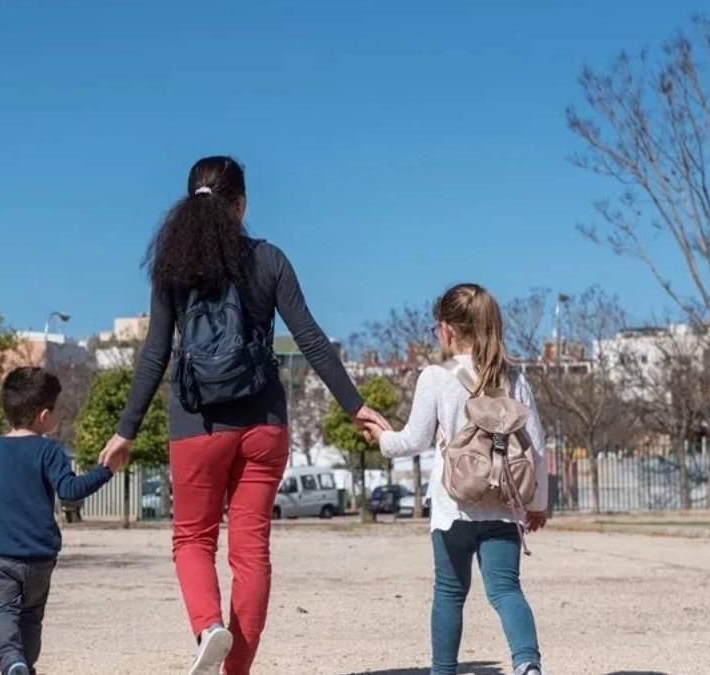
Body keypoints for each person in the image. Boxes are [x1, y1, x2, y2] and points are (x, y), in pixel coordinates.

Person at [98, 156, 390, 675]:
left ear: (188, 204)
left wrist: (126, 430)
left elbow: (155, 354)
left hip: (197, 425)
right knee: (251, 550)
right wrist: (356, 405)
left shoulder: (172, 269)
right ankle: (237, 671)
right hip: (264, 424)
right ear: (242, 204)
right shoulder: (269, 259)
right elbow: (310, 339)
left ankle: (209, 626)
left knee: (192, 538)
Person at [364, 283, 547, 675]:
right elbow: (536, 445)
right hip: (504, 504)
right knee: (506, 590)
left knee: (449, 593)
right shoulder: (513, 377)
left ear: (446, 329)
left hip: (454, 508)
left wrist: (381, 436)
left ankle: (443, 671)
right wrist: (537, 504)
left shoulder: (435, 377)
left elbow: (412, 440)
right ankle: (528, 663)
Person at [0, 367, 125, 675]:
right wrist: (106, 470)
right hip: (40, 557)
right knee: (31, 616)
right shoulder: (49, 450)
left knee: (2, 611)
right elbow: (70, 491)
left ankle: (12, 661)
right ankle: (25, 664)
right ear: (43, 416)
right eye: (58, 410)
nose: (59, 416)